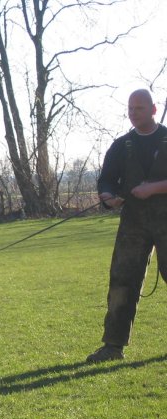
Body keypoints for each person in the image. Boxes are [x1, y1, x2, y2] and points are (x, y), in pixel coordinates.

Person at [87, 89, 167, 362]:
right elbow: (106, 180)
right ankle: (113, 346)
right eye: (130, 109)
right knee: (122, 281)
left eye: (139, 108)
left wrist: (155, 188)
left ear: (154, 110)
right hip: (133, 223)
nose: (133, 113)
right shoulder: (122, 145)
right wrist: (108, 198)